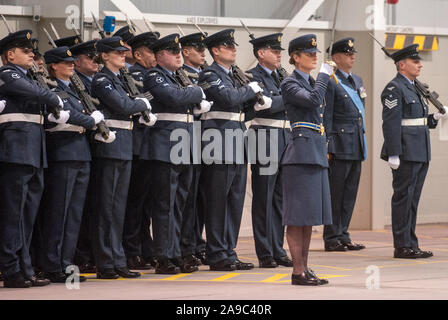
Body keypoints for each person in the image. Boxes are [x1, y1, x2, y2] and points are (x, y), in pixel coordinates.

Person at [0, 30, 68, 288]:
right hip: (16, 153)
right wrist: (55, 100)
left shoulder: (29, 77)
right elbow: (42, 95)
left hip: (34, 153)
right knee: (13, 215)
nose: (31, 55)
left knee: (27, 217)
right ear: (10, 54)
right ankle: (10, 269)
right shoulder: (8, 75)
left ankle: (25, 267)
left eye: (32, 52)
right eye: (26, 51)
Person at [199, 29, 271, 271]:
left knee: (235, 201)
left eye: (233, 46)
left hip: (237, 141)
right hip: (218, 142)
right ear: (215, 51)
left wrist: (255, 102)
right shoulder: (210, 74)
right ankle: (217, 253)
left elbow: (242, 111)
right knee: (218, 201)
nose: (233, 49)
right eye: (227, 46)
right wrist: (251, 90)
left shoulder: (233, 75)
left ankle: (228, 250)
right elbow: (229, 99)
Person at [140, 34, 209, 274]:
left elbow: (183, 98)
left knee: (180, 204)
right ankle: (164, 256)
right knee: (165, 204)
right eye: (172, 51)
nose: (178, 55)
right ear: (159, 56)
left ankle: (177, 252)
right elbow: (173, 97)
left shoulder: (178, 77)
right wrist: (198, 93)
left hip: (184, 146)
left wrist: (194, 94)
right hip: (165, 146)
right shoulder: (154, 76)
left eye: (179, 51)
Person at [38, 46, 106, 283]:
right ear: (54, 66)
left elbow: (78, 112)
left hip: (81, 153)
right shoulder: (50, 89)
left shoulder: (77, 90)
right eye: (65, 63)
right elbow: (69, 114)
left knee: (74, 214)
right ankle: (51, 263)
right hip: (63, 154)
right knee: (59, 212)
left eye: (72, 63)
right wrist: (90, 120)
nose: (71, 65)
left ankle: (66, 263)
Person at [89, 36, 152, 279]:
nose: (122, 55)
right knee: (106, 207)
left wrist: (138, 105)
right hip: (110, 146)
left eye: (123, 52)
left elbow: (129, 104)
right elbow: (123, 106)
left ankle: (117, 258)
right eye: (117, 52)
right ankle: (106, 262)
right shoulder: (103, 79)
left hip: (124, 144)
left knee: (118, 208)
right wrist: (141, 104)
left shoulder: (120, 79)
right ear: (104, 56)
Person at [381, 44, 448, 259]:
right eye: (415, 61)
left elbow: (416, 121)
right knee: (403, 198)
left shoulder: (415, 88)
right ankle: (402, 246)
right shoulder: (394, 88)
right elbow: (391, 123)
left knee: (413, 199)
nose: (420, 64)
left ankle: (411, 243)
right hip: (406, 151)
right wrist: (393, 153)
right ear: (402, 65)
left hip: (420, 149)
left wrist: (434, 119)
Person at [280, 34, 334, 286]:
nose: (314, 56)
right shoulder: (290, 83)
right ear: (295, 57)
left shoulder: (310, 81)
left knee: (309, 217)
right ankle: (296, 270)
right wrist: (324, 75)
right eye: (309, 53)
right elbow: (313, 100)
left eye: (315, 53)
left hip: (314, 152)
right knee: (296, 216)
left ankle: (305, 267)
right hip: (300, 154)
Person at [246, 33, 293, 268]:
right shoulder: (252, 77)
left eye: (279, 51)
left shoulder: (282, 76)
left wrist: (280, 98)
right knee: (264, 197)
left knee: (280, 199)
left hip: (285, 138)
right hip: (264, 138)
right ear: (261, 53)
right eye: (274, 51)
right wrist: (287, 98)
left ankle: (278, 248)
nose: (279, 55)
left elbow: (279, 101)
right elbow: (265, 106)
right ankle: (265, 252)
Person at [323, 38, 367, 252]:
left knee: (350, 192)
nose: (352, 56)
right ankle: (332, 237)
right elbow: (327, 115)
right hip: (339, 144)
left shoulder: (356, 80)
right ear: (336, 57)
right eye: (347, 53)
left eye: (353, 53)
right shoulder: (331, 81)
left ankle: (344, 234)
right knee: (336, 193)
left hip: (356, 143)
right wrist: (327, 145)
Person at [123, 31, 160, 270]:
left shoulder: (152, 74)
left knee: (147, 203)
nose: (155, 55)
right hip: (138, 145)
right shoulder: (135, 74)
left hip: (151, 144)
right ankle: (132, 250)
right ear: (137, 54)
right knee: (134, 204)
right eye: (150, 51)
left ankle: (146, 249)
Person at [178, 32, 209, 268]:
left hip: (205, 140)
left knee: (200, 200)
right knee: (185, 199)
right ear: (185, 51)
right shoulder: (182, 77)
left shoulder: (203, 75)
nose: (203, 53)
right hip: (186, 140)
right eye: (198, 49)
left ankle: (196, 243)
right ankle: (184, 246)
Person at [70, 39, 100, 273]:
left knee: (91, 206)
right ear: (77, 62)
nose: (95, 61)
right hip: (80, 148)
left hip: (91, 150)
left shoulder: (92, 82)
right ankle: (80, 255)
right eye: (90, 57)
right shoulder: (74, 83)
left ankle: (89, 253)